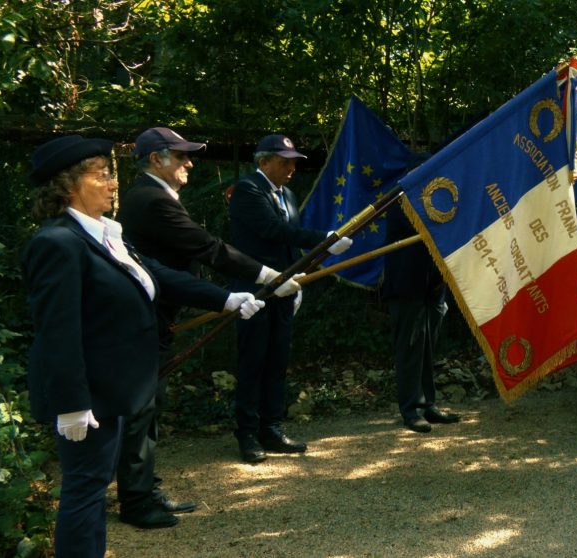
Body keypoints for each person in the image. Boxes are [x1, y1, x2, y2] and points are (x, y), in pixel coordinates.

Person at [21, 135, 264, 556]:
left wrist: (226, 299)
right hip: (89, 395)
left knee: (93, 487)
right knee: (84, 489)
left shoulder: (103, 235)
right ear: (68, 185)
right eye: (102, 176)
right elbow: (57, 331)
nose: (113, 185)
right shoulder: (56, 242)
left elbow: (156, 274)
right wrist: (72, 403)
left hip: (115, 387)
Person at [112, 127, 302, 528]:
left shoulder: (154, 196)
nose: (189, 163)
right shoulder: (150, 200)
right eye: (180, 156)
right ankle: (136, 499)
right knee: (143, 409)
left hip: (157, 312)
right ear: (154, 160)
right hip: (147, 314)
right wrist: (267, 276)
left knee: (149, 406)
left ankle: (142, 490)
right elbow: (207, 248)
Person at [227, 134, 352, 463]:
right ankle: (247, 434)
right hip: (255, 289)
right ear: (264, 162)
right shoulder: (248, 190)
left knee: (277, 361)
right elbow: (272, 230)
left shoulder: (289, 196)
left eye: (294, 162)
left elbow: (289, 245)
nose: (292, 168)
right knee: (253, 361)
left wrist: (300, 280)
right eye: (285, 162)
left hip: (284, 289)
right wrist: (323, 241)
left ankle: (272, 427)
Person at [384, 202, 460, 433]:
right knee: (410, 349)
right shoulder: (401, 198)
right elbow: (427, 229)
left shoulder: (440, 195)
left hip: (434, 285)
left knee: (427, 349)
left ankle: (428, 404)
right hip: (409, 284)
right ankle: (410, 410)